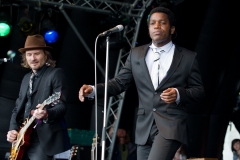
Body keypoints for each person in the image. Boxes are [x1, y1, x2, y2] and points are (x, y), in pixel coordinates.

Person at [79, 6, 205, 160]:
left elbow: (199, 90)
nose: (156, 26)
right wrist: (93, 89)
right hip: (144, 125)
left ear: (172, 29)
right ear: (148, 28)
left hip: (170, 124)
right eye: (152, 23)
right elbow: (118, 83)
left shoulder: (187, 57)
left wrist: (179, 94)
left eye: (162, 23)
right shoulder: (136, 54)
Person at [6, 34, 70, 160]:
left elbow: (62, 106)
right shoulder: (26, 78)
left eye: (37, 54)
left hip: (44, 139)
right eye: (29, 55)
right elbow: (17, 109)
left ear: (45, 55)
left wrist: (46, 114)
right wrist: (13, 130)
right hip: (23, 138)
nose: (33, 58)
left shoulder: (56, 73)